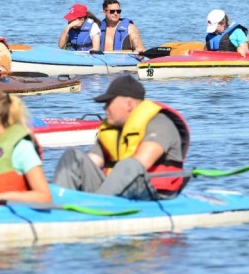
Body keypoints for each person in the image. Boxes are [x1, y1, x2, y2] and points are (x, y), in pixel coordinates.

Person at [53, 75, 190, 200]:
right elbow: (92, 162)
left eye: (109, 103)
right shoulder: (111, 129)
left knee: (129, 164)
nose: (104, 108)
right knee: (73, 156)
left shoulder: (160, 123)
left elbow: (140, 164)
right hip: (116, 192)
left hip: (154, 194)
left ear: (129, 104)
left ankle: (96, 205)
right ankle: (58, 204)